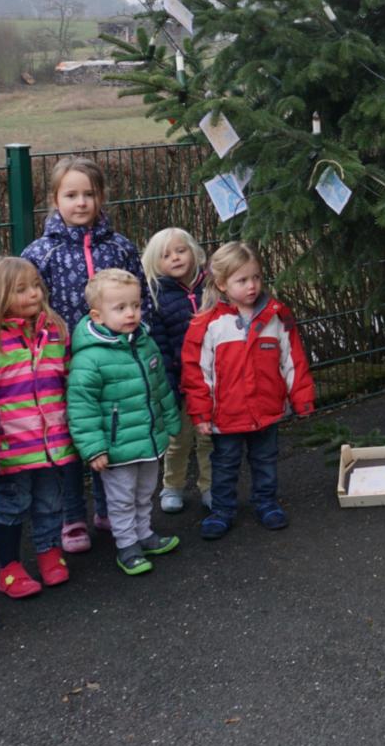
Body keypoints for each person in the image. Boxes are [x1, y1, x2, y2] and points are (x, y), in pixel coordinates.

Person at [20, 156, 155, 553]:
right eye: (71, 194)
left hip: (114, 359)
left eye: (89, 194)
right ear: (54, 199)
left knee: (108, 431)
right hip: (61, 361)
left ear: (101, 198)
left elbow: (140, 297)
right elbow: (29, 305)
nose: (81, 202)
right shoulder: (39, 253)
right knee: (70, 437)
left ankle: (108, 509)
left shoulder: (120, 247)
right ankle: (72, 515)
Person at [183, 242, 315, 539]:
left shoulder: (276, 316)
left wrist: (302, 398)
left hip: (266, 409)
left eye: (256, 277)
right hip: (226, 414)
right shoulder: (208, 324)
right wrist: (201, 412)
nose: (252, 286)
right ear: (222, 284)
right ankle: (222, 510)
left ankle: (266, 502)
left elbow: (292, 360)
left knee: (266, 459)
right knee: (225, 464)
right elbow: (197, 373)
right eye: (242, 280)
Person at [0, 256, 76, 599]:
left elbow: (68, 378)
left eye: (36, 286)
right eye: (21, 289)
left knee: (50, 502)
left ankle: (49, 552)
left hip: (53, 441)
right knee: (11, 506)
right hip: (10, 446)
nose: (34, 294)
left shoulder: (55, 332)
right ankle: (9, 568)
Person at [68, 269, 183, 576]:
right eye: (120, 308)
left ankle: (144, 533)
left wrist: (171, 420)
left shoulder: (143, 343)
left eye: (135, 305)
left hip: (148, 438)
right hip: (117, 446)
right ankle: (127, 545)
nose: (131, 313)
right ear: (98, 315)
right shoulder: (89, 358)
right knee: (120, 499)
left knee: (145, 491)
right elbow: (82, 407)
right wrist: (93, 448)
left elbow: (160, 386)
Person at [143, 227, 211, 514]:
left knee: (210, 438)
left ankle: (211, 486)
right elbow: (159, 344)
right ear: (154, 263)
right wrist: (169, 384)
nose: (175, 258)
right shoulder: (156, 296)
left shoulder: (212, 286)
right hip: (180, 380)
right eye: (166, 255)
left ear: (194, 251)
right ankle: (172, 485)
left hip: (211, 378)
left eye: (180, 250)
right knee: (178, 438)